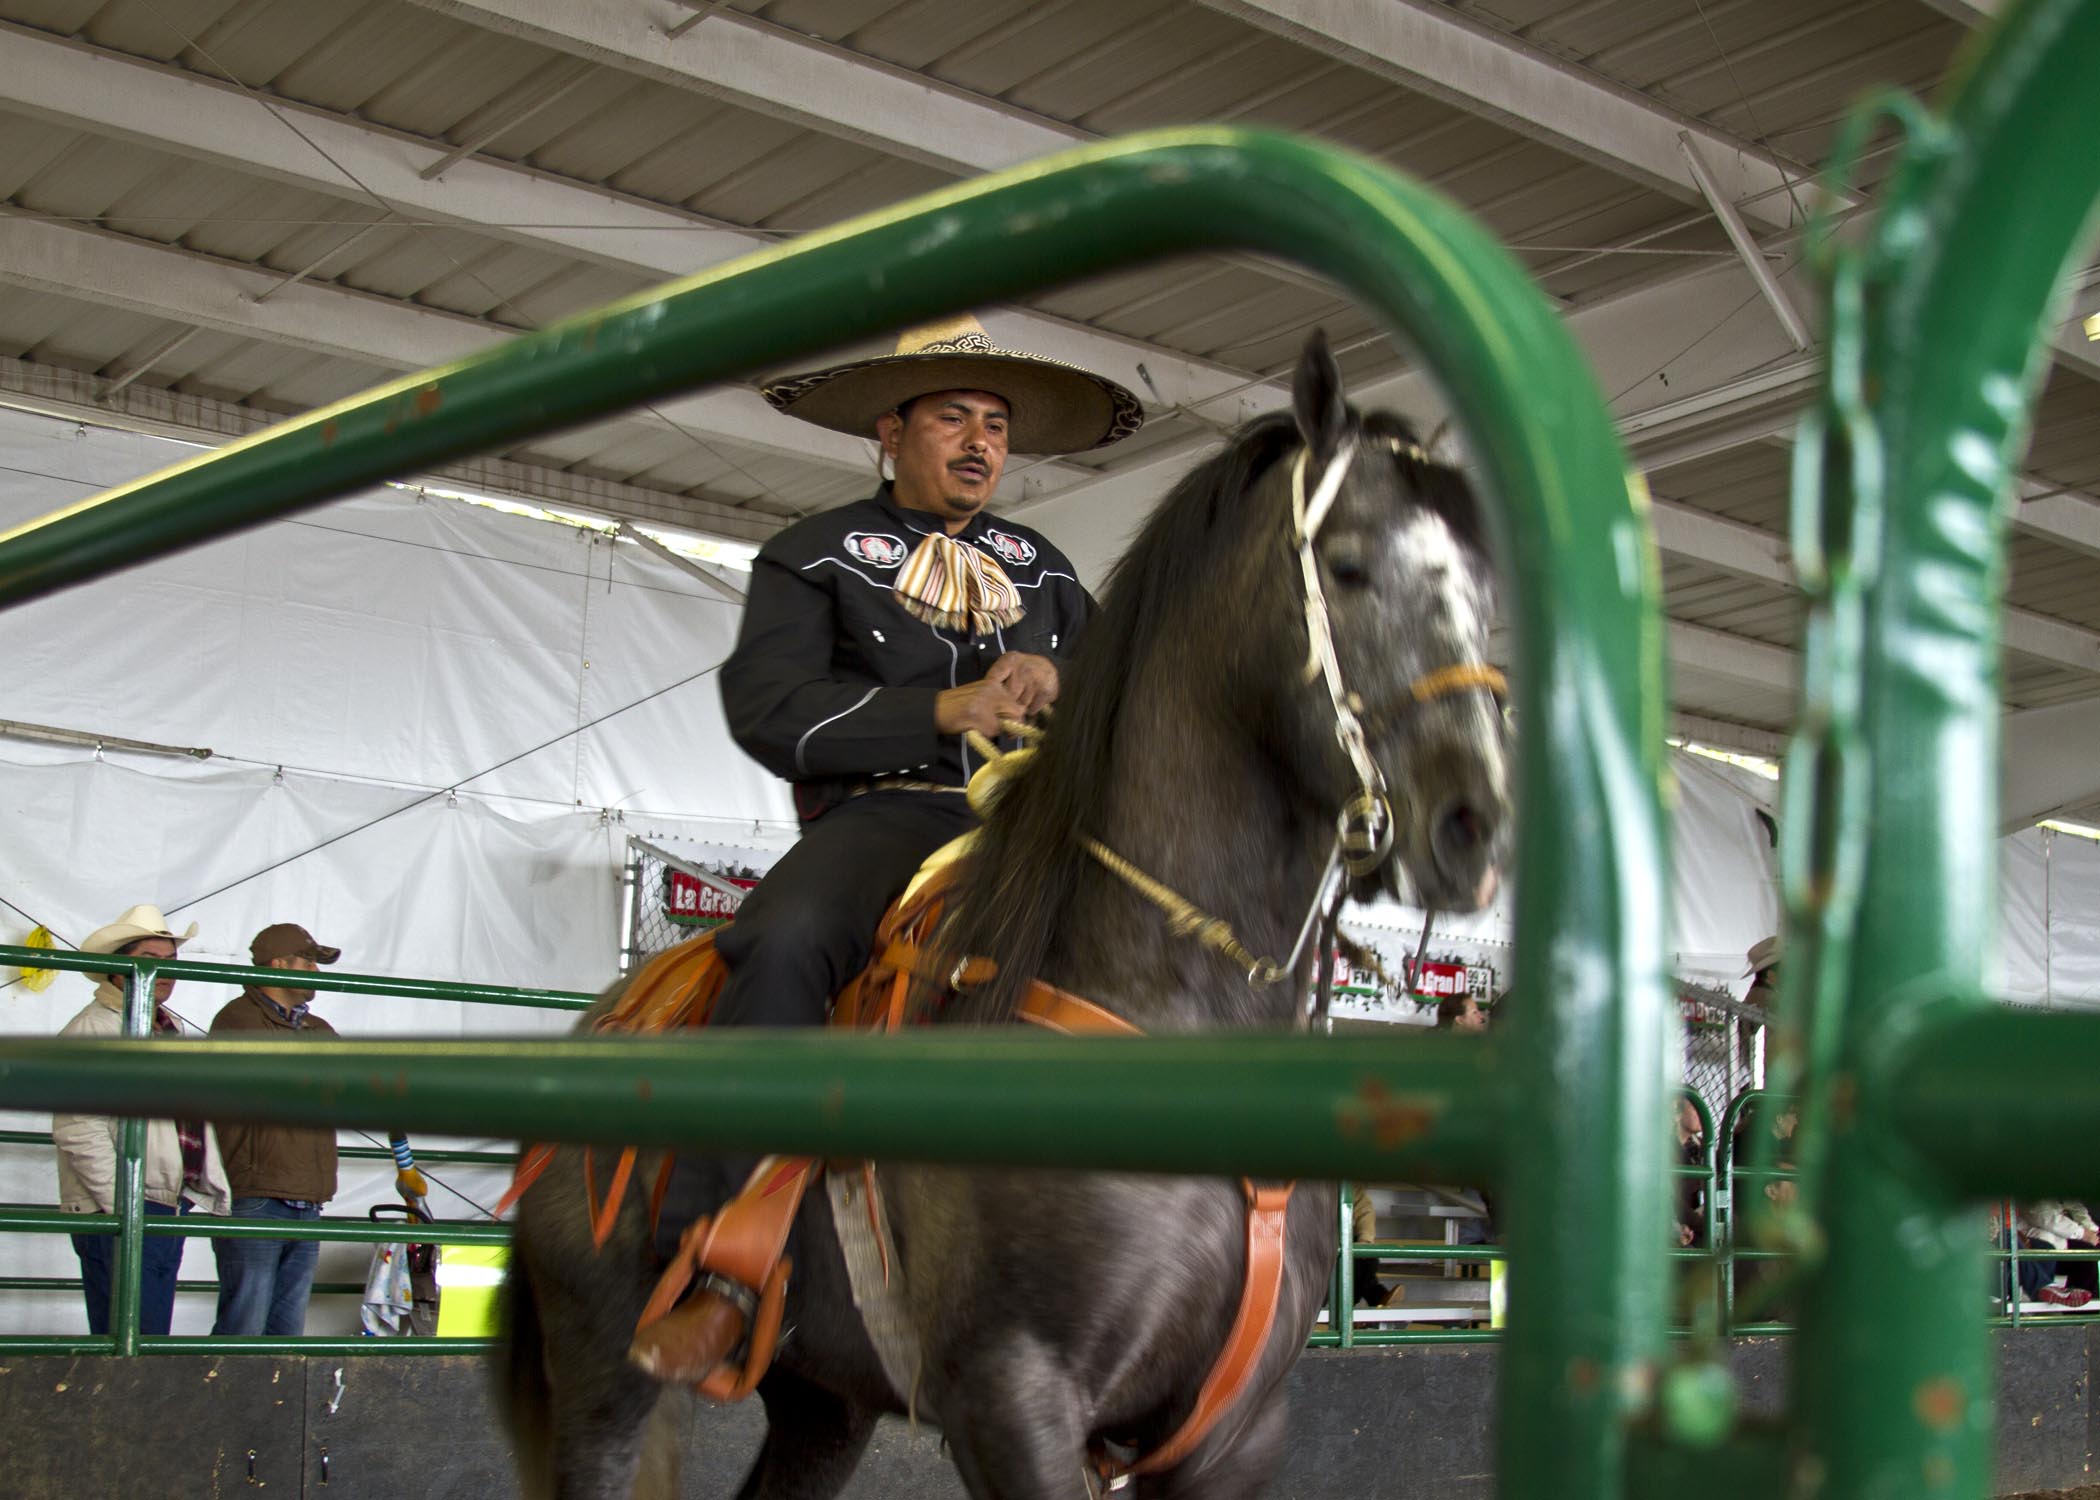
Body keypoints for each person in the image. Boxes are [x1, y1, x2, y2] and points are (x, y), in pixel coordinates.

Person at [630, 315, 1141, 1383]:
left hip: (1039, 824)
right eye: (951, 416)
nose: (978, 441)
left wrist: (1069, 689)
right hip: (893, 813)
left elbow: (1117, 703)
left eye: (995, 424)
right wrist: (941, 709)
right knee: (782, 938)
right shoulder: (811, 553)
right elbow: (770, 706)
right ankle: (722, 1258)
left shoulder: (1043, 569)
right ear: (890, 431)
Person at [53, 904, 232, 1335]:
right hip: (127, 1202)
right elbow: (78, 1126)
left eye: (170, 963)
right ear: (118, 968)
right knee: (132, 1338)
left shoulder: (164, 1028)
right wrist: (125, 1203)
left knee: (142, 1338)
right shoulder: (93, 1029)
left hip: (162, 1200)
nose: (165, 974)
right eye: (150, 962)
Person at [207, 922, 347, 1337]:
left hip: (304, 1192)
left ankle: (264, 1402)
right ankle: (225, 1398)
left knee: (284, 1328)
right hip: (258, 1190)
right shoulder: (238, 1020)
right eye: (308, 961)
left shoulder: (314, 1026)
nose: (315, 972)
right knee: (246, 1322)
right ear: (279, 964)